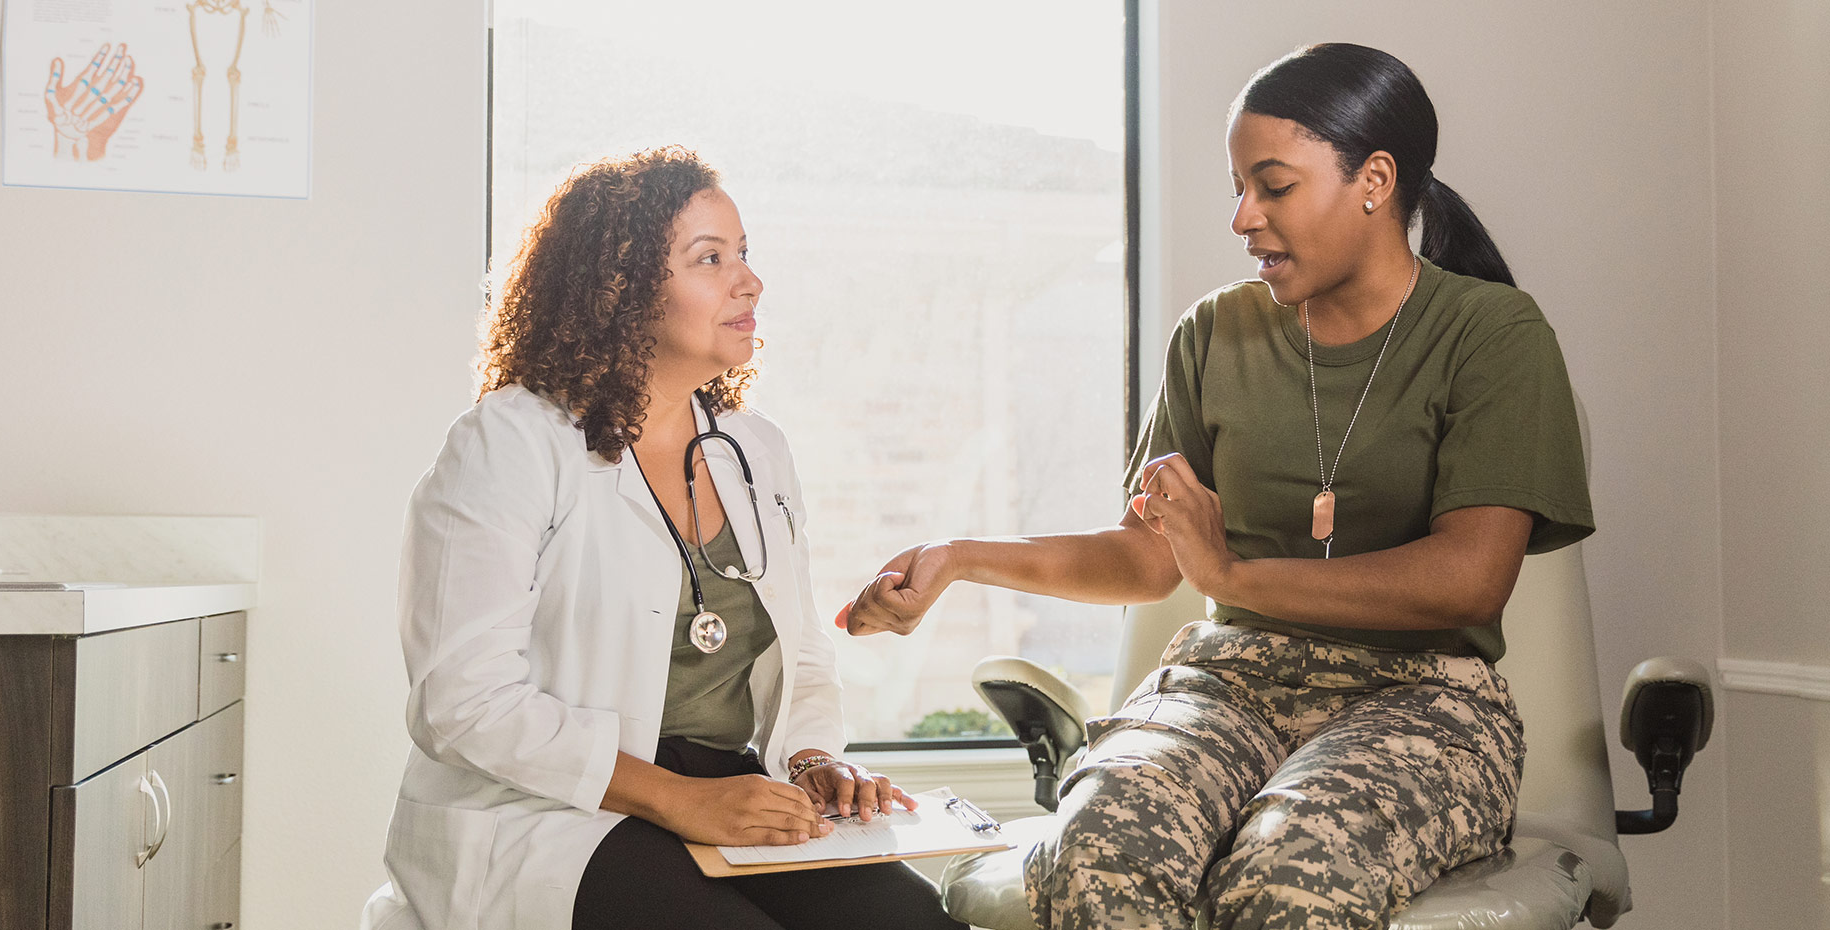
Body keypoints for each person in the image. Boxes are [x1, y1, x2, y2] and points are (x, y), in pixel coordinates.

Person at [840, 44, 1594, 930]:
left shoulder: (1492, 333)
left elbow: (1467, 579)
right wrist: (956, 557)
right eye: (1237, 187)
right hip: (1227, 686)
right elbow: (1149, 560)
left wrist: (1232, 578)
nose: (1243, 216)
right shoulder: (1213, 334)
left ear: (1375, 180)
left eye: (1273, 187)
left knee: (1291, 877)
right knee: (1094, 858)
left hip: (1425, 697)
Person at [366, 146, 966, 930]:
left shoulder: (757, 450)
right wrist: (682, 802)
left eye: (744, 254)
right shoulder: (510, 443)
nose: (748, 281)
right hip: (554, 812)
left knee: (914, 924)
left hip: (724, 787)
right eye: (708, 259)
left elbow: (802, 649)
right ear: (621, 290)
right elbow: (462, 702)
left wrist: (814, 762)